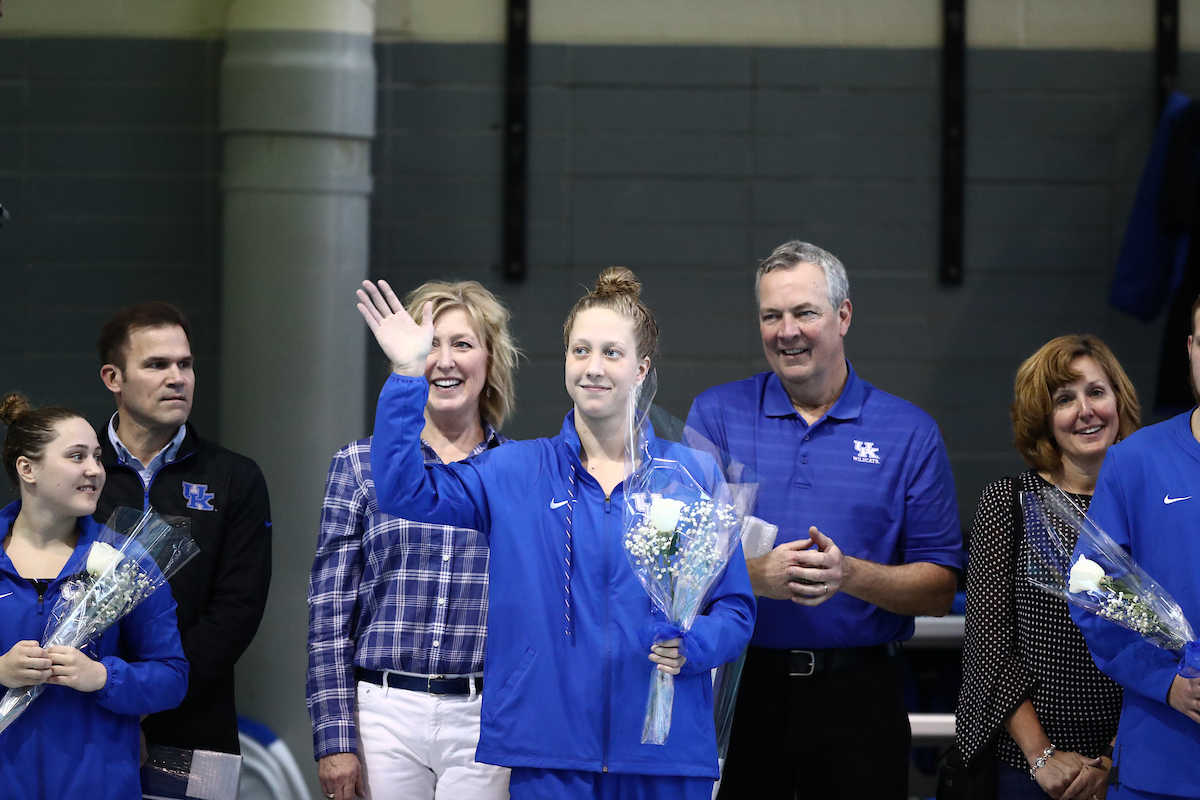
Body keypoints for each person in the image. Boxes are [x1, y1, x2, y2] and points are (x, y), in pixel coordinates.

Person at [358, 268, 755, 800]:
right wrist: (409, 372)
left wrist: (697, 646)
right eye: (580, 351)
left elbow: (736, 608)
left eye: (612, 353)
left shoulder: (691, 476)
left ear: (642, 368)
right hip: (548, 751)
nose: (593, 368)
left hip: (663, 749)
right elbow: (403, 491)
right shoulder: (515, 471)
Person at [685, 240, 963, 800]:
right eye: (771, 315)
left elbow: (940, 587)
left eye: (804, 312)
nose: (786, 330)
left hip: (861, 697)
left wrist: (850, 575)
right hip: (743, 690)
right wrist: (755, 576)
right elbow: (676, 564)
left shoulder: (909, 432)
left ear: (843, 315)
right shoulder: (716, 415)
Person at [307, 280, 519, 800]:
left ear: (490, 362)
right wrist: (334, 739)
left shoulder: (519, 472)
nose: (443, 361)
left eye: (462, 345)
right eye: (429, 345)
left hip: (485, 714)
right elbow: (330, 613)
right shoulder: (358, 466)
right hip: (383, 712)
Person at [957, 335, 1139, 800]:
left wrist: (1115, 761)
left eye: (1096, 392)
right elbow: (989, 646)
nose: (1085, 410)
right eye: (1064, 399)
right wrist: (1042, 756)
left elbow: (1166, 645)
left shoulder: (1149, 502)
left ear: (1119, 401)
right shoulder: (1009, 504)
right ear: (1044, 418)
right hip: (1029, 767)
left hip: (1131, 761)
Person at [93, 302, 272, 755]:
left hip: (196, 719)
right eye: (157, 364)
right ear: (114, 378)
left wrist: (151, 694)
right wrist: (108, 687)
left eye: (185, 364)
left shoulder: (236, 477)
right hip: (87, 709)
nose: (178, 377)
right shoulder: (78, 471)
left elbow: (238, 608)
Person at [0, 393, 188, 798]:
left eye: (98, 457)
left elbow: (172, 678)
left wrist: (102, 677)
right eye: (76, 456)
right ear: (27, 468)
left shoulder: (126, 562)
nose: (95, 470)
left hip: (99, 785)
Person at [1070, 295, 1200, 800]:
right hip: (1161, 764)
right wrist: (1166, 683)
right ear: (1189, 349)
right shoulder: (1134, 461)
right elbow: (1090, 592)